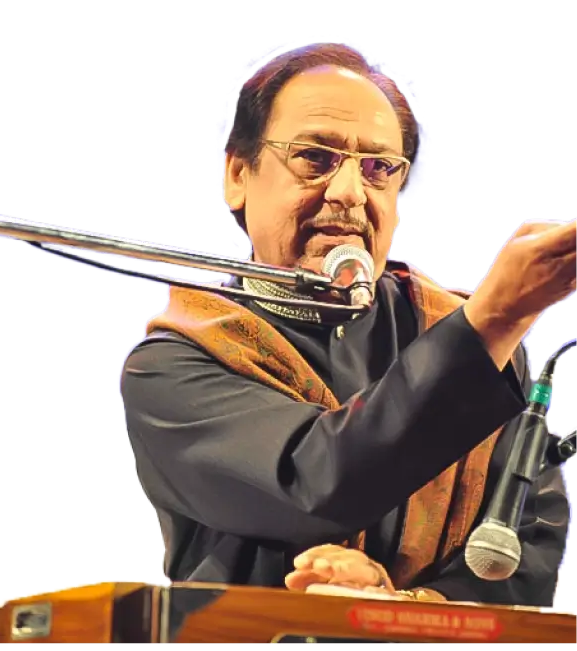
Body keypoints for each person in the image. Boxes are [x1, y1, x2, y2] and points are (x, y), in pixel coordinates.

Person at [119, 41, 574, 610]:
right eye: (315, 157)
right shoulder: (176, 362)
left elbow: (522, 545)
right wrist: (493, 320)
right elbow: (313, 481)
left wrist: (407, 605)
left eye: (380, 168)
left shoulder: (466, 335)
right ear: (237, 173)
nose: (350, 193)